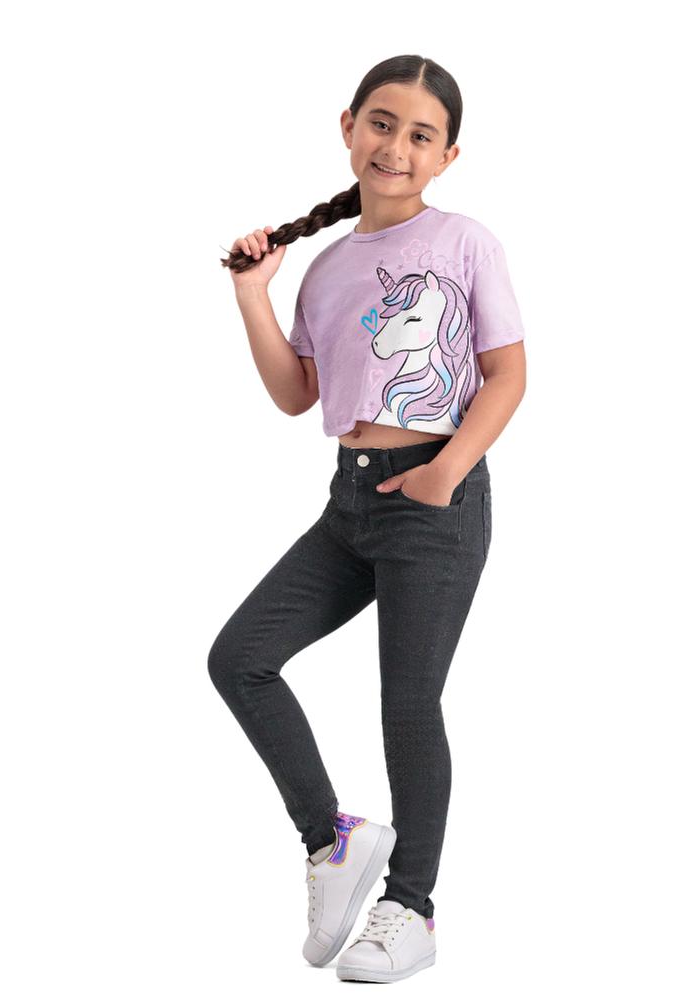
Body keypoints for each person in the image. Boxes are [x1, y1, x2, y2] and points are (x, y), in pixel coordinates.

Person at [208, 54, 527, 983]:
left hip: (435, 502)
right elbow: (295, 393)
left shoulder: (465, 243)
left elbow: (508, 374)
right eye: (381, 124)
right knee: (240, 658)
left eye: (421, 135)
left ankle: (412, 908)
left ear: (447, 156)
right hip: (348, 504)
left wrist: (446, 472)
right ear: (348, 127)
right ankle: (332, 840)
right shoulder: (327, 267)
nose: (396, 147)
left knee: (407, 702)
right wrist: (253, 295)